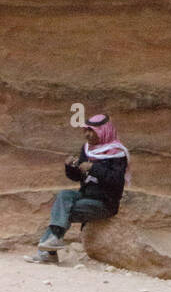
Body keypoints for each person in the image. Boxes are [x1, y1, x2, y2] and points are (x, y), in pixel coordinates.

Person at [28, 112, 130, 263]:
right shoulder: (88, 149)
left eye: (92, 131)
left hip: (104, 203)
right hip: (86, 196)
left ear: (103, 132)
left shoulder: (117, 153)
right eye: (86, 130)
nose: (87, 135)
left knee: (62, 210)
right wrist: (71, 167)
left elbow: (116, 181)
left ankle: (48, 253)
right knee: (64, 196)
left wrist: (93, 168)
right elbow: (78, 177)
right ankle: (52, 245)